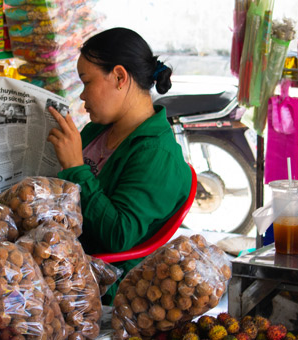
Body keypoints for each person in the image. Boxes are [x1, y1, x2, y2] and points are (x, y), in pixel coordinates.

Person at [47, 27, 192, 303]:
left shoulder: (156, 154)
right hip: (62, 255)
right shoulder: (98, 130)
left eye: (86, 82)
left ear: (119, 77)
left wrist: (76, 167)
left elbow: (117, 236)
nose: (82, 96)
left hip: (105, 284)